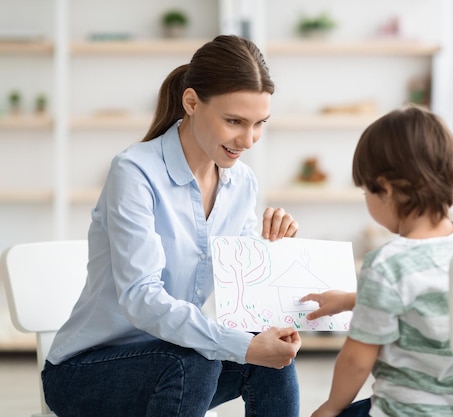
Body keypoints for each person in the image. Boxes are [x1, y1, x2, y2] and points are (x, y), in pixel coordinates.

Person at [42, 35, 302, 417]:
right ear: (192, 102)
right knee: (195, 360)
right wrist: (241, 346)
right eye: (234, 121)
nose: (248, 140)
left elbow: (240, 302)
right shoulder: (134, 172)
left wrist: (271, 250)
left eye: (259, 123)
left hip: (177, 364)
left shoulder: (241, 183)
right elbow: (141, 297)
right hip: (87, 373)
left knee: (272, 362)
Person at [302, 104, 453, 417]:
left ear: (385, 188)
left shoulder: (387, 263)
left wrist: (330, 407)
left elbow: (356, 361)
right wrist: (352, 300)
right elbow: (427, 302)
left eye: (365, 192)